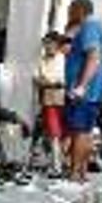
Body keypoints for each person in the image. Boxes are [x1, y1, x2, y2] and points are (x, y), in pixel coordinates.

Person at [63, 0, 102, 183]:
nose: (69, 13)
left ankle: (75, 173)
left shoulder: (89, 26)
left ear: (79, 9)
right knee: (86, 130)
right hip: (95, 91)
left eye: (71, 9)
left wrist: (81, 86)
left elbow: (93, 56)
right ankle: (81, 172)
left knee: (80, 130)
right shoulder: (98, 26)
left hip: (86, 91)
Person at [34, 32, 67, 177]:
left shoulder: (63, 60)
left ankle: (59, 163)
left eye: (51, 43)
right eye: (46, 43)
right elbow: (37, 78)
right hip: (48, 100)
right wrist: (49, 83)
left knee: (60, 132)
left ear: (57, 45)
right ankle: (56, 165)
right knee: (53, 132)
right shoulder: (41, 60)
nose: (48, 46)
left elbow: (61, 80)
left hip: (63, 99)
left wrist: (48, 82)